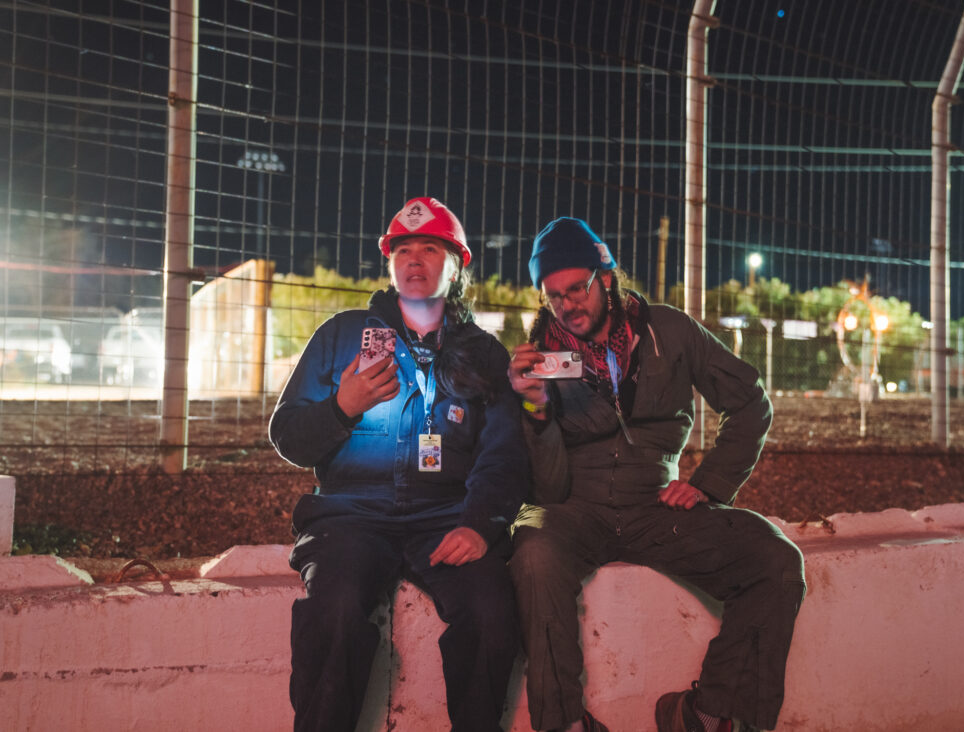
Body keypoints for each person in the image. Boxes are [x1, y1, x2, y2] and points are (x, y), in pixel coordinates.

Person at [507, 217, 806, 732]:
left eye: (576, 287)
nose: (567, 304)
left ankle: (708, 715)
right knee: (533, 553)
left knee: (776, 561)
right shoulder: (542, 358)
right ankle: (564, 724)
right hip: (574, 506)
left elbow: (750, 402)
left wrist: (709, 484)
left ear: (605, 276)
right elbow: (547, 486)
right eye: (554, 296)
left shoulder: (668, 329)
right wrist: (534, 409)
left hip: (656, 504)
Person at [270, 197, 528, 732]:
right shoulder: (343, 336)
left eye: (431, 248)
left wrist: (479, 525)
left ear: (457, 266)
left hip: (446, 518)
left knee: (491, 611)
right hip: (350, 517)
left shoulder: (484, 354)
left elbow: (503, 454)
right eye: (403, 249)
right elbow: (289, 437)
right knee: (334, 612)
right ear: (389, 262)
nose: (415, 259)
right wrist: (341, 408)